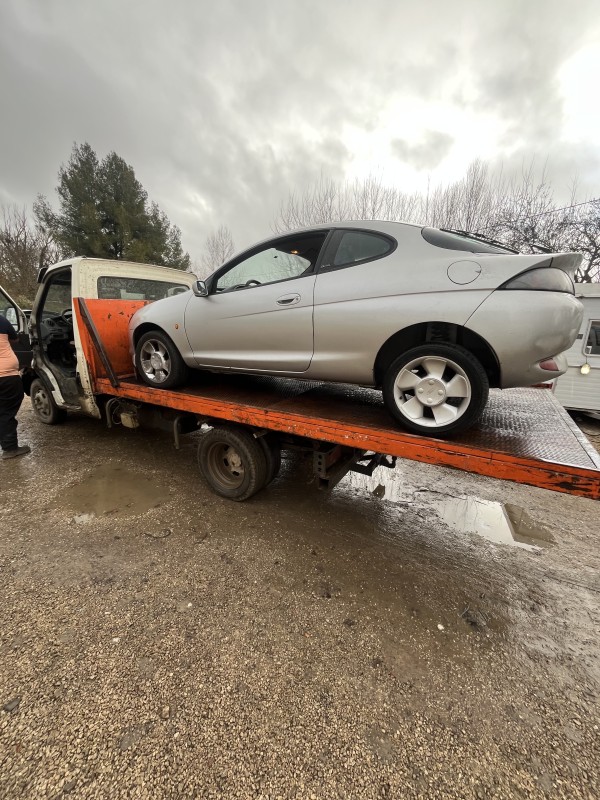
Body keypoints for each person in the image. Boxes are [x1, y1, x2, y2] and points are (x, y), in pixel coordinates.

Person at [0, 314, 30, 460]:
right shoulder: (1, 320)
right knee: (6, 411)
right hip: (5, 375)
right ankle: (10, 448)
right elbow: (16, 339)